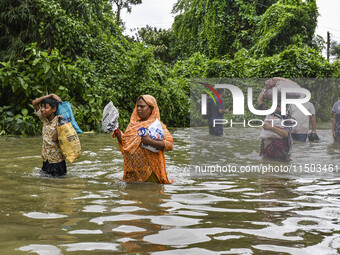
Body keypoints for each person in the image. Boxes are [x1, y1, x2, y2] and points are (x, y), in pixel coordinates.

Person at [114, 95, 173, 184]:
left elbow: (170, 145)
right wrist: (117, 131)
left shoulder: (156, 126)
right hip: (132, 173)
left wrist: (149, 141)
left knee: (149, 195)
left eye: (142, 106)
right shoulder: (132, 126)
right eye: (138, 106)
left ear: (151, 109)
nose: (138, 109)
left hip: (150, 174)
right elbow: (126, 144)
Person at [32, 94, 66, 176]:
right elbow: (34, 103)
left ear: (54, 109)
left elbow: (54, 139)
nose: (42, 109)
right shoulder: (44, 120)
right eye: (42, 107)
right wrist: (50, 95)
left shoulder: (60, 121)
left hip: (57, 162)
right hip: (46, 160)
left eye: (46, 108)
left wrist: (60, 124)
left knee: (56, 186)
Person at [258, 89, 294, 161]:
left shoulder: (288, 119)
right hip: (266, 151)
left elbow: (286, 134)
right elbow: (260, 101)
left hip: (281, 153)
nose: (275, 108)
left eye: (278, 106)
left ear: (285, 108)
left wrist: (271, 127)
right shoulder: (268, 115)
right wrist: (264, 89)